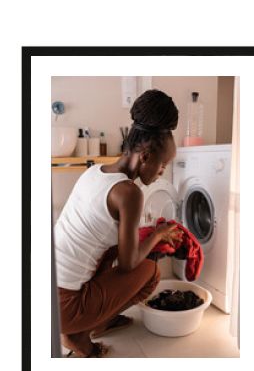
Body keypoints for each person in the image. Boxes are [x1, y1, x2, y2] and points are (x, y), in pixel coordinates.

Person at [54, 89, 180, 357]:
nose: (161, 173)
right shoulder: (128, 193)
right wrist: (157, 235)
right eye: (162, 165)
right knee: (150, 272)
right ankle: (79, 337)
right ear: (145, 156)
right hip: (64, 305)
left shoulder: (94, 172)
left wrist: (150, 236)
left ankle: (94, 322)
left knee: (112, 249)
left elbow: (107, 243)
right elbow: (127, 264)